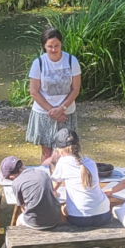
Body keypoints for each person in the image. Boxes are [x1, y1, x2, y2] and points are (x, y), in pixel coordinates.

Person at [26, 28, 81, 163]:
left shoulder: (71, 61)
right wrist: (52, 111)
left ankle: (64, 181)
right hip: (43, 113)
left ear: (61, 44)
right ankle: (46, 181)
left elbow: (75, 89)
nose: (53, 49)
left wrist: (61, 109)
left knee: (67, 150)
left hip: (66, 112)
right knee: (47, 151)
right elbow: (34, 91)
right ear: (44, 46)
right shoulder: (38, 63)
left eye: (57, 46)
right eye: (50, 46)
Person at [49, 129, 113, 228]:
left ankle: (65, 232)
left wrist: (53, 192)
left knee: (62, 208)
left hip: (79, 218)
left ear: (60, 151)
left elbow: (54, 186)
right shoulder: (91, 162)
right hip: (104, 214)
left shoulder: (63, 162)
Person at [2, 155, 61, 230]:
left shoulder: (16, 183)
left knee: (19, 220)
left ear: (12, 177)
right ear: (23, 164)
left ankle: (18, 238)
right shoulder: (43, 173)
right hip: (54, 219)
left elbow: (23, 208)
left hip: (35, 222)